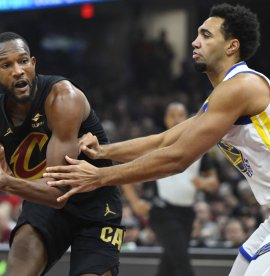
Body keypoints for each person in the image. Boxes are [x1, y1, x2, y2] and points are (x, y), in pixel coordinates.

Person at [44, 3, 270, 275]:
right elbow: (164, 141)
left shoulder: (240, 86)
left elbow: (177, 158)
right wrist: (102, 151)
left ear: (232, 46)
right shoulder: (223, 95)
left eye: (206, 35)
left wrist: (99, 177)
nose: (194, 41)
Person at [0, 32, 124, 276]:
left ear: (33, 64)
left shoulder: (63, 98)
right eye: (7, 65)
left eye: (23, 61)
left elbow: (59, 193)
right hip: (41, 203)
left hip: (95, 203)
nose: (18, 70)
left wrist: (5, 182)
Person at [122, 102, 219, 276]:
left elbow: (213, 181)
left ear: (187, 118)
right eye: (172, 115)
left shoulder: (199, 146)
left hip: (187, 213)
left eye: (180, 115)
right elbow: (125, 171)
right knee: (182, 264)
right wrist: (135, 203)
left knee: (170, 263)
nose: (176, 119)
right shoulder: (158, 144)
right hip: (162, 211)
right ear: (166, 119)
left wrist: (205, 184)